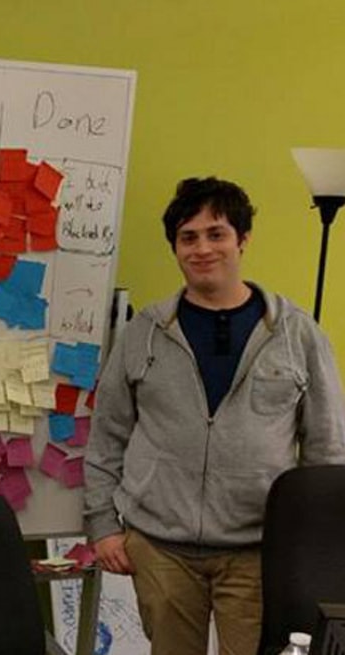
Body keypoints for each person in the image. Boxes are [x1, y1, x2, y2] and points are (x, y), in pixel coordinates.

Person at [84, 177, 345, 655]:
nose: (202, 248)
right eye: (188, 237)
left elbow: (326, 450)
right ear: (176, 249)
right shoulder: (144, 333)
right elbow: (107, 435)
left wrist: (311, 547)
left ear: (242, 239)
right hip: (160, 547)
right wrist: (102, 525)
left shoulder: (297, 335)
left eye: (216, 233)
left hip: (258, 552)